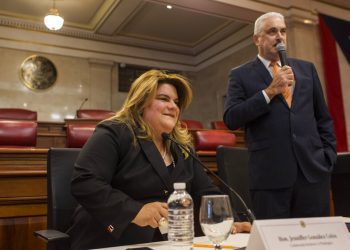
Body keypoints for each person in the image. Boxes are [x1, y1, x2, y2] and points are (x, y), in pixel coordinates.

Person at [67, 69, 250, 249]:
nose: (173, 106)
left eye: (176, 102)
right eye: (164, 99)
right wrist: (136, 211)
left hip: (167, 243)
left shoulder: (182, 146)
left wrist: (228, 221)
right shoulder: (115, 131)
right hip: (111, 241)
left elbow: (206, 191)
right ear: (141, 102)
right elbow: (85, 182)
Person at [223, 12, 336, 220]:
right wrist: (269, 92)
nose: (280, 36)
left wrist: (327, 157)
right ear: (257, 39)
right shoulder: (240, 75)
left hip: (313, 174)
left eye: (283, 31)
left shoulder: (306, 69)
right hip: (270, 179)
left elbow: (323, 118)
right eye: (272, 31)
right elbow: (231, 118)